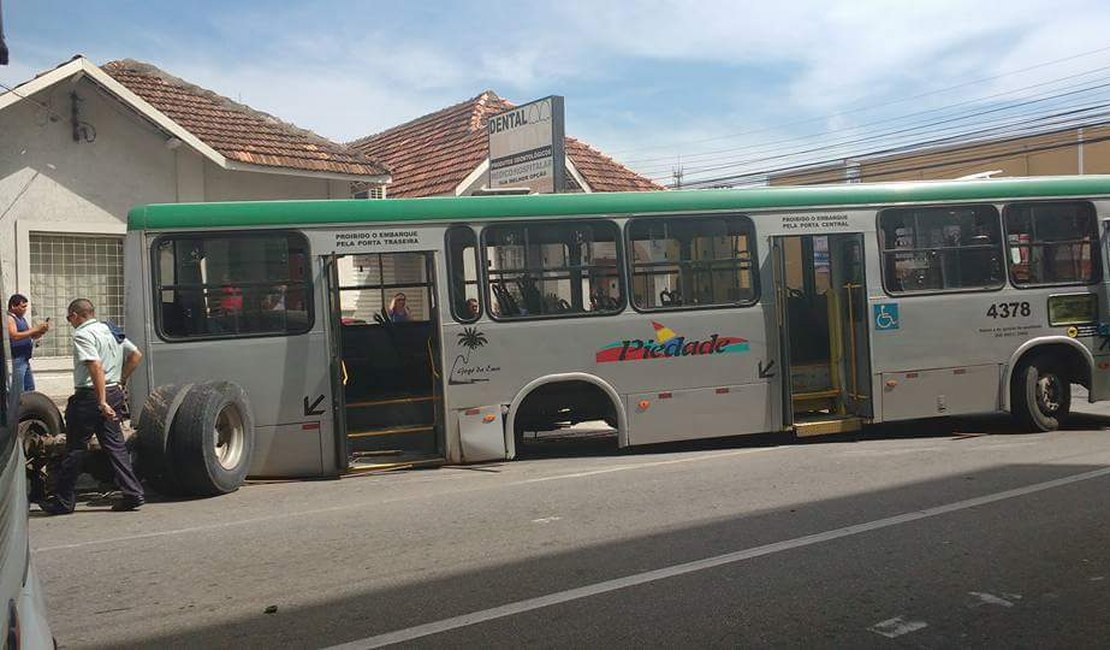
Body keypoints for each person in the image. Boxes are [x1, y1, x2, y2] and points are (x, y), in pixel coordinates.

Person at [40, 299, 145, 514]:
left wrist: (101, 400)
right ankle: (133, 492)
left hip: (90, 398)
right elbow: (136, 355)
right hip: (113, 391)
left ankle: (63, 501)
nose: (69, 322)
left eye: (69, 318)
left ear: (77, 315)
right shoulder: (110, 329)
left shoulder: (82, 334)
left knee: (75, 448)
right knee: (115, 446)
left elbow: (95, 366)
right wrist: (120, 381)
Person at [7, 293, 50, 392]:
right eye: (23, 307)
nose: (25, 309)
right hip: (17, 358)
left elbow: (30, 335)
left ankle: (27, 407)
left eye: (26, 307)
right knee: (19, 390)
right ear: (13, 306)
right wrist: (35, 329)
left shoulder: (21, 319)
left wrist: (40, 331)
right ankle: (17, 407)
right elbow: (14, 335)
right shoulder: (10, 318)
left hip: (25, 358)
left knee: (29, 388)